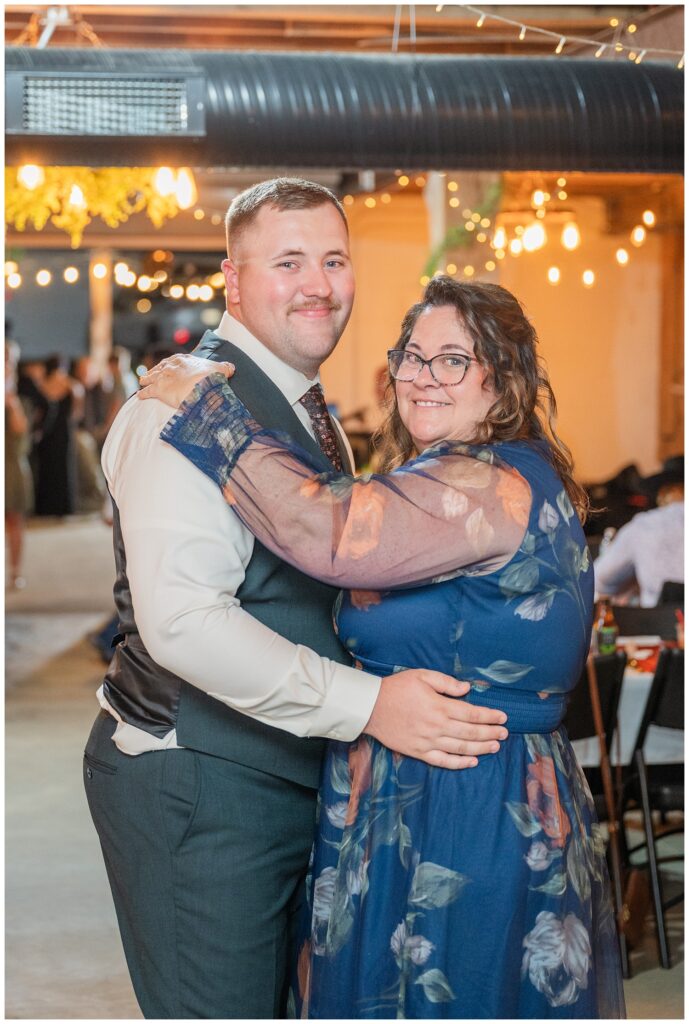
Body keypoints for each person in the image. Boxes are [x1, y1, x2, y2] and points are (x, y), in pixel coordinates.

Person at [141, 275, 626, 1019]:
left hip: (466, 801)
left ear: (504, 383)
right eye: (411, 355)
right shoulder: (461, 472)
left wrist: (203, 406)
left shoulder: (484, 486)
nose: (420, 376)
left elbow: (325, 532)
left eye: (452, 360)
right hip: (420, 790)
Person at [83, 179, 507, 1020]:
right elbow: (185, 625)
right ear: (234, 282)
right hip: (199, 783)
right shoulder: (184, 410)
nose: (317, 283)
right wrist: (368, 704)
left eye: (332, 259)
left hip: (283, 771)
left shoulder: (305, 406)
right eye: (287, 262)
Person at [594, 460, 684, 607]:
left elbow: (600, 580)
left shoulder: (645, 525)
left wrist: (634, 579)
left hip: (662, 624)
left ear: (661, 494)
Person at [34, 354, 83, 517]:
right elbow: (77, 412)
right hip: (64, 431)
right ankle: (65, 506)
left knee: (47, 468)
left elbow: (39, 412)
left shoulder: (43, 385)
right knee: (64, 468)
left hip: (48, 432)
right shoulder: (72, 385)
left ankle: (46, 507)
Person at [5, 341, 34, 588]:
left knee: (15, 519)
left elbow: (21, 429)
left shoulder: (18, 388)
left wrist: (10, 401)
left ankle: (15, 572)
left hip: (13, 461)